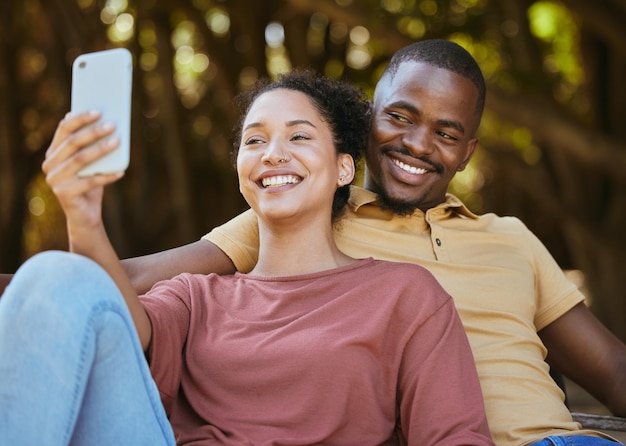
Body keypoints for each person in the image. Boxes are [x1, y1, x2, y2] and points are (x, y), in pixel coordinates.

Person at [105, 39, 626, 445]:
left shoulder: (511, 238)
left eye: (446, 134)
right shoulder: (309, 214)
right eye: (400, 117)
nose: (417, 144)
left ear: (467, 153)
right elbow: (131, 282)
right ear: (368, 117)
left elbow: (612, 371)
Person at [0, 70, 493, 445]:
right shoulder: (196, 296)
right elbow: (115, 331)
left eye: (299, 136)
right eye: (255, 140)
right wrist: (83, 216)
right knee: (54, 273)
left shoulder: (405, 296)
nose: (273, 154)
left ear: (345, 167)